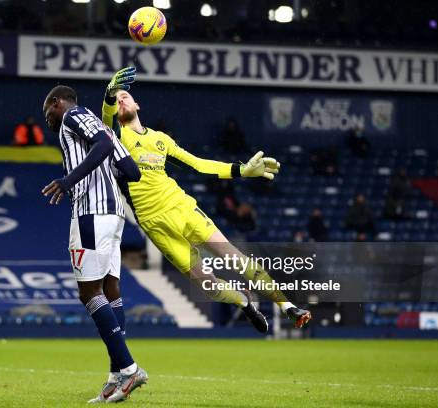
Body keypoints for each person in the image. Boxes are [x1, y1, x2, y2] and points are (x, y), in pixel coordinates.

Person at [101, 67, 312, 332]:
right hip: (155, 224)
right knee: (209, 285)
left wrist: (242, 170)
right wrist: (109, 95)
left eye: (125, 96)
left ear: (137, 104)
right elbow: (107, 120)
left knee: (234, 258)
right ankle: (244, 303)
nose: (121, 100)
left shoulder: (160, 140)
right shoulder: (115, 137)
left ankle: (288, 306)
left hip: (182, 208)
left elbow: (198, 164)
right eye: (118, 99)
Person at [41, 85, 147, 404]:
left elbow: (99, 142)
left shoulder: (74, 115)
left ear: (57, 103)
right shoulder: (103, 128)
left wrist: (69, 180)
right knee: (110, 291)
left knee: (89, 292)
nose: (47, 119)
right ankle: (118, 375)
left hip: (91, 211)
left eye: (47, 111)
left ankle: (128, 369)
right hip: (113, 213)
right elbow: (132, 171)